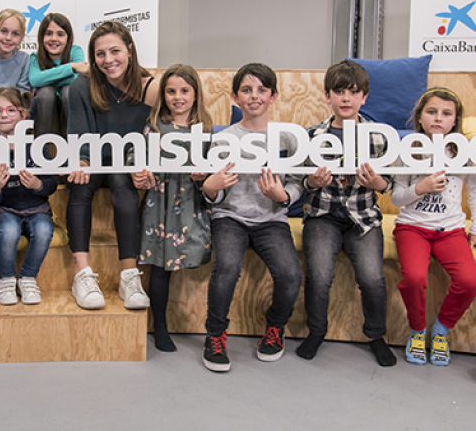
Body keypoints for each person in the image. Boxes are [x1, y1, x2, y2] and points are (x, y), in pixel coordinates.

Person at [200, 62, 303, 372]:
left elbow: (300, 183)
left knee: (290, 274)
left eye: (262, 90)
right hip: (229, 216)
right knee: (227, 268)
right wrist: (210, 190)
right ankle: (215, 334)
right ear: (235, 97)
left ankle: (275, 329)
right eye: (246, 90)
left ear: (273, 96)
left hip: (271, 219)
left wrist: (284, 197)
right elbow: (212, 192)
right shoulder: (223, 138)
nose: (254, 96)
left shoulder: (289, 139)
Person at [297, 59, 397, 367]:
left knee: (372, 279)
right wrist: (311, 181)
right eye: (339, 91)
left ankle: (376, 335)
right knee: (319, 275)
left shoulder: (379, 136)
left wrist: (376, 181)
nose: (346, 99)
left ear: (364, 97)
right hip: (323, 215)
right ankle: (316, 332)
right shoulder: (312, 135)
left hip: (363, 217)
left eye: (353, 92)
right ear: (328, 96)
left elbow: (388, 183)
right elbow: (301, 179)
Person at [66, 21, 158, 310]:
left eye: (115, 51)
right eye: (100, 54)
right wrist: (80, 162)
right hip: (92, 158)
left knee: (124, 191)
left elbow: (153, 135)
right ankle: (82, 274)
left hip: (125, 162)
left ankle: (129, 277)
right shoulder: (82, 86)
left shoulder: (150, 87)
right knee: (79, 188)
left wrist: (141, 165)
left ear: (129, 49)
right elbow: (79, 136)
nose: (108, 60)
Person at [391, 88, 476, 366]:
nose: (438, 119)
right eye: (431, 112)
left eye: (446, 114)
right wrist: (419, 188)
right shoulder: (409, 151)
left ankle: (441, 331)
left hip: (451, 231)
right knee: (413, 278)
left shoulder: (463, 152)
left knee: (469, 281)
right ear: (420, 117)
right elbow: (397, 198)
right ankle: (418, 331)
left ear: (455, 121)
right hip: (412, 227)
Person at [130, 64, 213, 352]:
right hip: (159, 205)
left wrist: (206, 177)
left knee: (183, 260)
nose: (178, 97)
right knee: (159, 269)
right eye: (171, 91)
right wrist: (138, 171)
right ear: (163, 94)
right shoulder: (153, 126)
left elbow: (214, 168)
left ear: (195, 94)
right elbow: (133, 154)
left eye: (184, 91)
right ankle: (160, 327)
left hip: (189, 203)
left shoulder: (206, 130)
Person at [0, 87, 57, 306]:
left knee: (44, 231)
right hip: (5, 210)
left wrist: (38, 184)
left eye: (10, 110)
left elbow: (51, 184)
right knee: (8, 232)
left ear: (22, 115)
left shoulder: (37, 146)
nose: (4, 115)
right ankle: (6, 280)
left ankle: (27, 278)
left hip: (37, 209)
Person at [28, 13, 89, 137]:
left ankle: (77, 145)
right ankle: (40, 145)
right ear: (41, 36)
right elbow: (34, 80)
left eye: (60, 34)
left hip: (70, 109)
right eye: (48, 33)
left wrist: (46, 78)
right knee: (46, 92)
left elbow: (76, 79)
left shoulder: (75, 51)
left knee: (68, 91)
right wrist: (71, 67)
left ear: (68, 37)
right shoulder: (35, 57)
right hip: (45, 111)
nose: (54, 38)